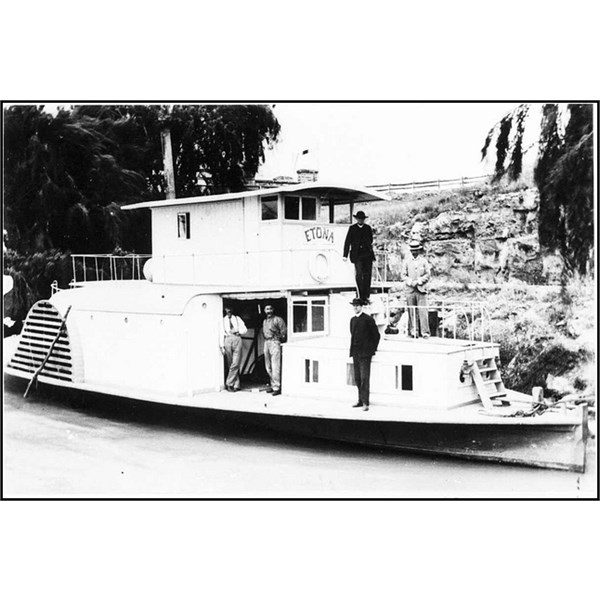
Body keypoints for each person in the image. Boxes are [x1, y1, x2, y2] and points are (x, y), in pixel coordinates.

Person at [349, 298, 380, 411]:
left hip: (365, 354)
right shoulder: (352, 320)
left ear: (362, 306)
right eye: (354, 306)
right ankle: (360, 400)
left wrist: (371, 349)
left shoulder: (368, 319)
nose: (355, 307)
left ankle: (366, 402)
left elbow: (376, 336)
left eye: (357, 305)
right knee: (357, 378)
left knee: (364, 378)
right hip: (355, 353)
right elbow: (352, 334)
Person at [401, 239, 431, 338]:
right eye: (412, 250)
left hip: (421, 290)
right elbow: (403, 275)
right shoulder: (406, 261)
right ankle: (414, 331)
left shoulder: (424, 261)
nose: (414, 252)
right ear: (410, 251)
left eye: (416, 250)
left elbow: (428, 274)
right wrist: (410, 282)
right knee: (411, 312)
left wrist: (419, 281)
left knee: (423, 312)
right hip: (410, 290)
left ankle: (425, 333)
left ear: (419, 250)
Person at [343, 210, 375, 302]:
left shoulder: (368, 228)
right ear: (356, 219)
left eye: (362, 219)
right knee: (359, 274)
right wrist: (344, 255)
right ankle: (360, 295)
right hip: (357, 255)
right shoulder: (352, 228)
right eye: (359, 219)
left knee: (367, 275)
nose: (361, 220)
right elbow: (347, 242)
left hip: (367, 255)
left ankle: (366, 296)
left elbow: (371, 240)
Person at [220, 306, 248, 392]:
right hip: (228, 339)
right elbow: (221, 333)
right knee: (230, 364)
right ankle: (236, 384)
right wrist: (222, 346)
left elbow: (245, 329)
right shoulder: (222, 320)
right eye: (227, 309)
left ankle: (229, 383)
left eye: (230, 309)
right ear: (224, 310)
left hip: (237, 338)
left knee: (236, 363)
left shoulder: (237, 318)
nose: (229, 311)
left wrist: (238, 331)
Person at [262, 304, 287, 396]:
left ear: (273, 309)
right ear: (264, 310)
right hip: (266, 342)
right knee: (268, 366)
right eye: (267, 309)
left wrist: (278, 340)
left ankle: (277, 387)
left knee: (275, 366)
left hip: (274, 342)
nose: (269, 311)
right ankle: (273, 386)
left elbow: (284, 332)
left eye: (270, 309)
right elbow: (263, 332)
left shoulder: (278, 319)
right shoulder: (265, 321)